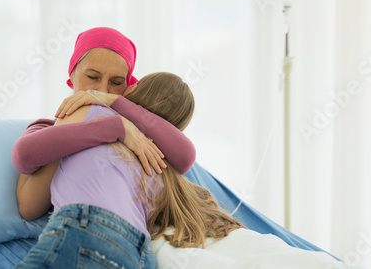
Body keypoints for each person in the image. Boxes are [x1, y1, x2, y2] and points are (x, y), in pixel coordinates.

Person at [14, 72, 244, 269]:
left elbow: (24, 159)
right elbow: (185, 156)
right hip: (140, 254)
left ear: (133, 88)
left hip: (88, 228)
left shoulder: (89, 110)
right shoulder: (162, 166)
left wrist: (109, 102)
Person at [12, 27, 196, 221]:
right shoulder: (44, 127)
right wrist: (117, 128)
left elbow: (186, 156)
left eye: (116, 83)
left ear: (129, 88)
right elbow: (28, 207)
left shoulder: (139, 134)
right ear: (72, 73)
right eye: (92, 77)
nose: (100, 90)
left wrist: (115, 103)